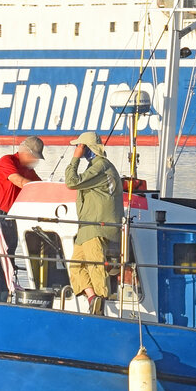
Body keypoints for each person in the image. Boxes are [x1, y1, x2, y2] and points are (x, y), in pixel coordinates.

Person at [64, 131, 123, 313]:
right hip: (86, 229)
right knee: (75, 265)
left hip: (97, 227)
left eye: (79, 146)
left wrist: (75, 159)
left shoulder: (101, 166)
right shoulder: (95, 168)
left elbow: (71, 182)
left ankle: (100, 302)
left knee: (94, 264)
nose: (77, 149)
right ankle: (93, 299)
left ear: (87, 148)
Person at [0, 136, 44, 297]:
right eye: (34, 156)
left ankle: (2, 299)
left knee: (7, 263)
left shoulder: (29, 170)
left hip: (11, 220)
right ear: (25, 152)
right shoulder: (6, 161)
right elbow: (19, 181)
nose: (35, 160)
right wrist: (38, 188)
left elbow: (39, 185)